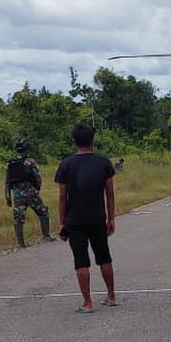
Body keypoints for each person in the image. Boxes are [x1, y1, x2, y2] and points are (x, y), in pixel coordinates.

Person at [54, 123, 117, 313]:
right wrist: (111, 218)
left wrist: (62, 221)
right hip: (97, 218)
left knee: (81, 260)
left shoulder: (66, 165)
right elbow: (110, 193)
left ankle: (88, 303)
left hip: (75, 220)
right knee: (104, 257)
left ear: (74, 141)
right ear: (92, 140)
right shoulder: (103, 162)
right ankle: (111, 296)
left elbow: (62, 197)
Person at [5, 139, 53, 247]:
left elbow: (7, 182)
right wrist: (37, 189)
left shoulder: (10, 163)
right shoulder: (30, 161)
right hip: (31, 193)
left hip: (17, 195)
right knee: (43, 212)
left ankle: (21, 243)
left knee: (18, 219)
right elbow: (37, 177)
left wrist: (8, 197)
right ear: (27, 149)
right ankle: (46, 236)